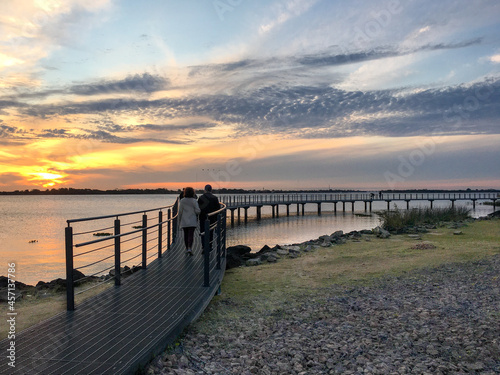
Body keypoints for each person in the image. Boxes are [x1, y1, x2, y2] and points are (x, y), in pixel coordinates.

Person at [178, 187, 200, 256]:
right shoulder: (194, 201)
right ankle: (190, 248)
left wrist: (179, 221)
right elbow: (197, 211)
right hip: (192, 220)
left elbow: (180, 212)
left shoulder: (182, 201)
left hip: (184, 220)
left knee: (185, 234)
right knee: (191, 234)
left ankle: (187, 248)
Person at [198, 184, 220, 251]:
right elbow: (218, 209)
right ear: (211, 190)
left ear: (205, 190)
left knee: (203, 232)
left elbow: (198, 208)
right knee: (210, 232)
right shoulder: (215, 198)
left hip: (203, 217)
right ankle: (210, 246)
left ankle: (204, 246)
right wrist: (216, 217)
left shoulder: (201, 197)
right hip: (212, 217)